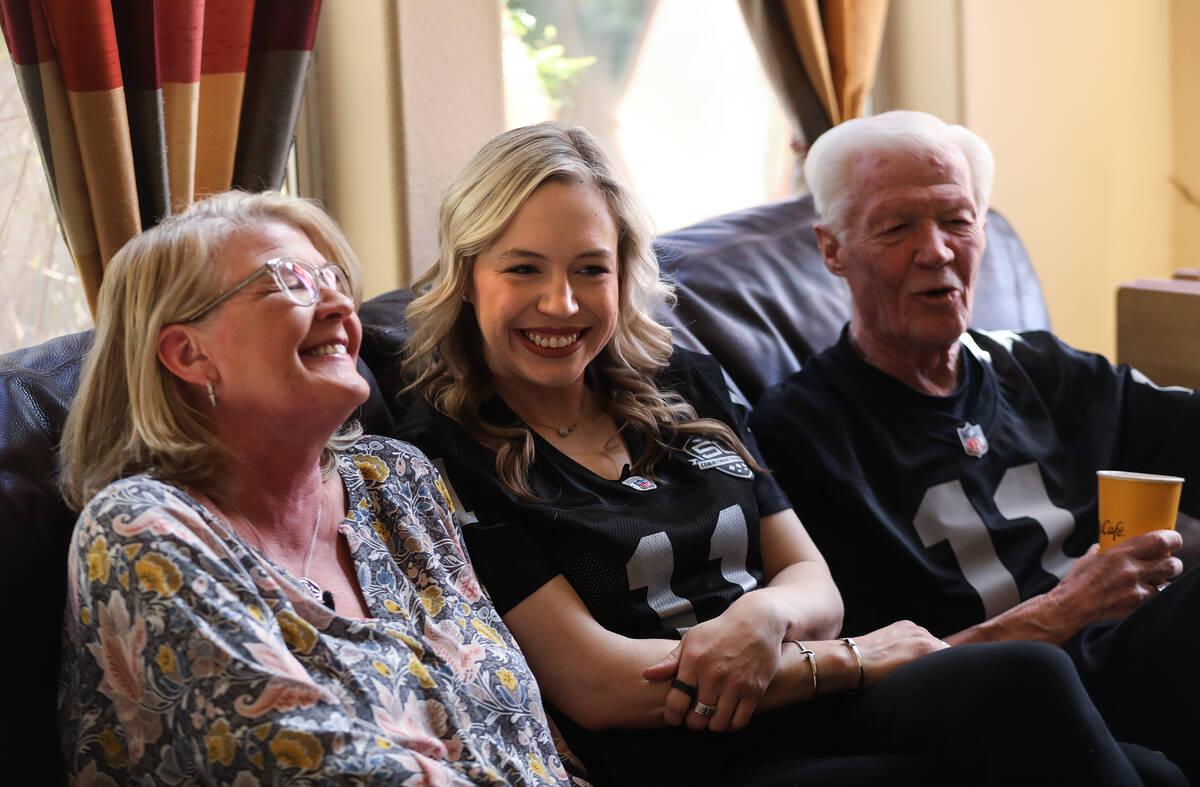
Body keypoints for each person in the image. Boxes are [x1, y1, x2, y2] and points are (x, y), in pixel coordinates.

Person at [398, 122, 1182, 786]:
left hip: (808, 697)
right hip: (690, 749)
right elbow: (604, 686)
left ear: (623, 271)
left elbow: (813, 582)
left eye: (590, 269)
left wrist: (763, 614)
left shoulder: (681, 381)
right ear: (468, 275)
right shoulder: (444, 447)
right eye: (523, 268)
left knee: (1152, 767)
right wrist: (849, 661)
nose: (561, 304)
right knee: (1030, 682)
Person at [57, 192, 571, 785]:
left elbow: (530, 738)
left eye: (332, 278)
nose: (337, 304)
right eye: (290, 280)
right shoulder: (142, 533)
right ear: (189, 353)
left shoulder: (394, 480)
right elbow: (317, 770)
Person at [750, 110, 1200, 781]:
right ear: (832, 248)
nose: (936, 250)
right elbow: (852, 672)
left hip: (1111, 658)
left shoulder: (1042, 368)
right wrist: (1063, 610)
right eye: (898, 226)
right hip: (978, 694)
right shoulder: (797, 435)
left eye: (957, 220)